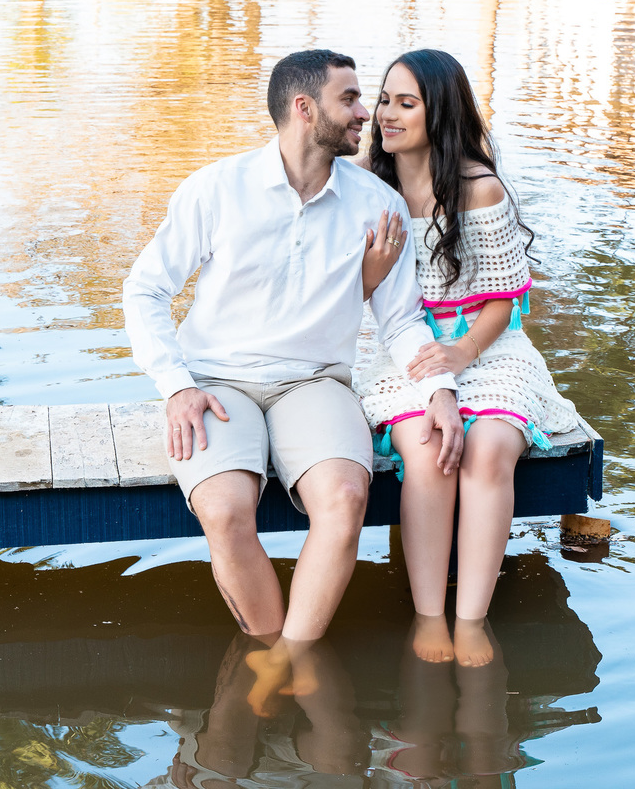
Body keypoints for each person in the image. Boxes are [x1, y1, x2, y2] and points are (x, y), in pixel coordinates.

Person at [123, 50, 464, 698]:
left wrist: (439, 393)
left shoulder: (374, 202)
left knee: (344, 501)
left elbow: (400, 320)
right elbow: (144, 290)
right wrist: (176, 385)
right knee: (225, 511)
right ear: (304, 110)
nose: (368, 113)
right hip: (216, 381)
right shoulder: (216, 189)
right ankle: (272, 645)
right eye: (352, 100)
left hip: (315, 383)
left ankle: (285, 665)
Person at [356, 49, 582, 667]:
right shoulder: (364, 186)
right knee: (427, 450)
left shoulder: (478, 188)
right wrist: (373, 276)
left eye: (408, 103)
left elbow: (507, 300)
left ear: (441, 112)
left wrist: (462, 351)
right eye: (384, 100)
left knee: (488, 447)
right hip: (395, 344)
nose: (388, 116)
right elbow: (352, 298)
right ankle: (429, 615)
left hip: (485, 342)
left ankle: (472, 618)